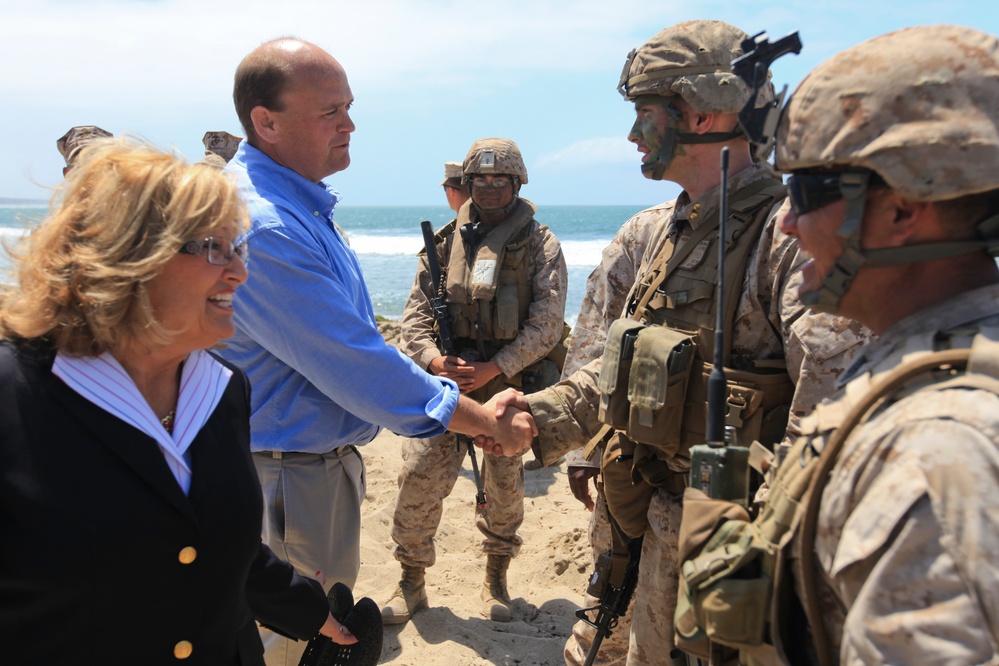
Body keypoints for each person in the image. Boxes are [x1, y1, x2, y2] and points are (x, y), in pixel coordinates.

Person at [483, 20, 872, 665]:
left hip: (729, 546)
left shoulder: (790, 239)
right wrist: (542, 419)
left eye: (645, 114)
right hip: (642, 514)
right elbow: (611, 360)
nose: (633, 134)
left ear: (697, 113)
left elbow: (829, 421)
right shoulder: (659, 233)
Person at [676, 24, 999, 666]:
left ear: (903, 210)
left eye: (805, 192)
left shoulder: (939, 453)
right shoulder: (914, 369)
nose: (789, 222)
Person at [219, 38, 534, 666]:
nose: (350, 125)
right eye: (330, 111)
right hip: (287, 476)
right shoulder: (271, 224)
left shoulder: (298, 205)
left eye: (349, 107)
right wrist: (477, 418)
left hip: (308, 467)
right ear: (266, 122)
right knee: (289, 645)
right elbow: (356, 359)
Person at [0, 138, 355, 665]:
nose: (238, 272)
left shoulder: (223, 389)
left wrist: (307, 610)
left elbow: (212, 540)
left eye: (240, 248)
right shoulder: (17, 392)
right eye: (215, 247)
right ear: (130, 255)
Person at [381, 138, 567, 625]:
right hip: (446, 389)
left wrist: (494, 368)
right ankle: (411, 582)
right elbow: (414, 321)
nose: (488, 189)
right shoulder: (442, 244)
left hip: (506, 389)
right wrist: (434, 360)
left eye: (499, 181)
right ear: (466, 185)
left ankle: (495, 580)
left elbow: (547, 325)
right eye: (479, 181)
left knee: (504, 490)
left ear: (516, 183)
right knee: (418, 479)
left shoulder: (540, 245)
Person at [560, 205, 660, 664]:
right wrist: (584, 451)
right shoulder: (647, 230)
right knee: (614, 600)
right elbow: (596, 338)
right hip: (635, 462)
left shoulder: (787, 227)